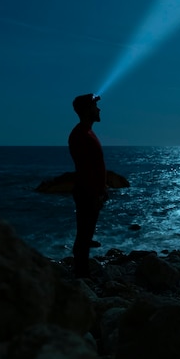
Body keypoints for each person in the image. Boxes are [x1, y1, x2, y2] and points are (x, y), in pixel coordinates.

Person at [68, 93, 107, 277]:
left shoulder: (87, 133)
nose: (98, 109)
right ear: (86, 110)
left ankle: (81, 273)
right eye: (94, 106)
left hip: (90, 192)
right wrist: (95, 194)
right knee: (84, 235)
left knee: (86, 234)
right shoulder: (80, 135)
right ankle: (81, 275)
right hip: (87, 193)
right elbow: (85, 169)